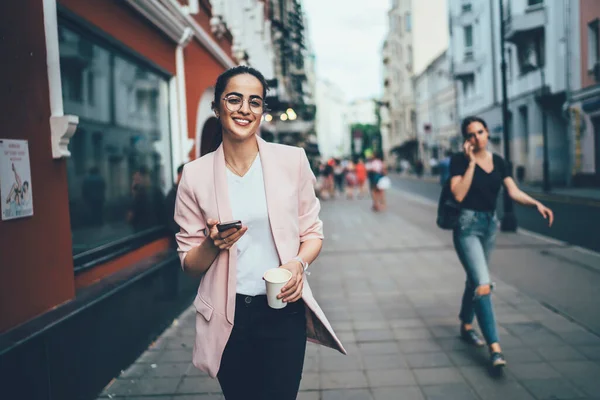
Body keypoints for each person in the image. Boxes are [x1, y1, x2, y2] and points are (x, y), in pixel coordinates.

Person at [174, 65, 345, 400]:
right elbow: (189, 264)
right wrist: (212, 243)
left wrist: (296, 265)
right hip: (229, 315)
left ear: (263, 111)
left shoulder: (292, 161)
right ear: (217, 106)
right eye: (234, 99)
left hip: (283, 309)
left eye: (255, 102)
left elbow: (312, 233)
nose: (244, 109)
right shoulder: (194, 176)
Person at [449, 116, 554, 368]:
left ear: (487, 133)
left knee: (475, 280)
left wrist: (536, 203)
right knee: (483, 284)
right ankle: (495, 348)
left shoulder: (499, 162)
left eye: (481, 132)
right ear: (467, 140)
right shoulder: (459, 161)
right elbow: (459, 193)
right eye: (471, 135)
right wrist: (472, 164)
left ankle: (466, 324)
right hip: (466, 227)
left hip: (489, 227)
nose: (477, 138)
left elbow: (513, 191)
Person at [165, 164, 185, 248]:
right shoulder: (172, 196)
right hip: (177, 243)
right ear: (180, 175)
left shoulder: (183, 193)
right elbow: (172, 224)